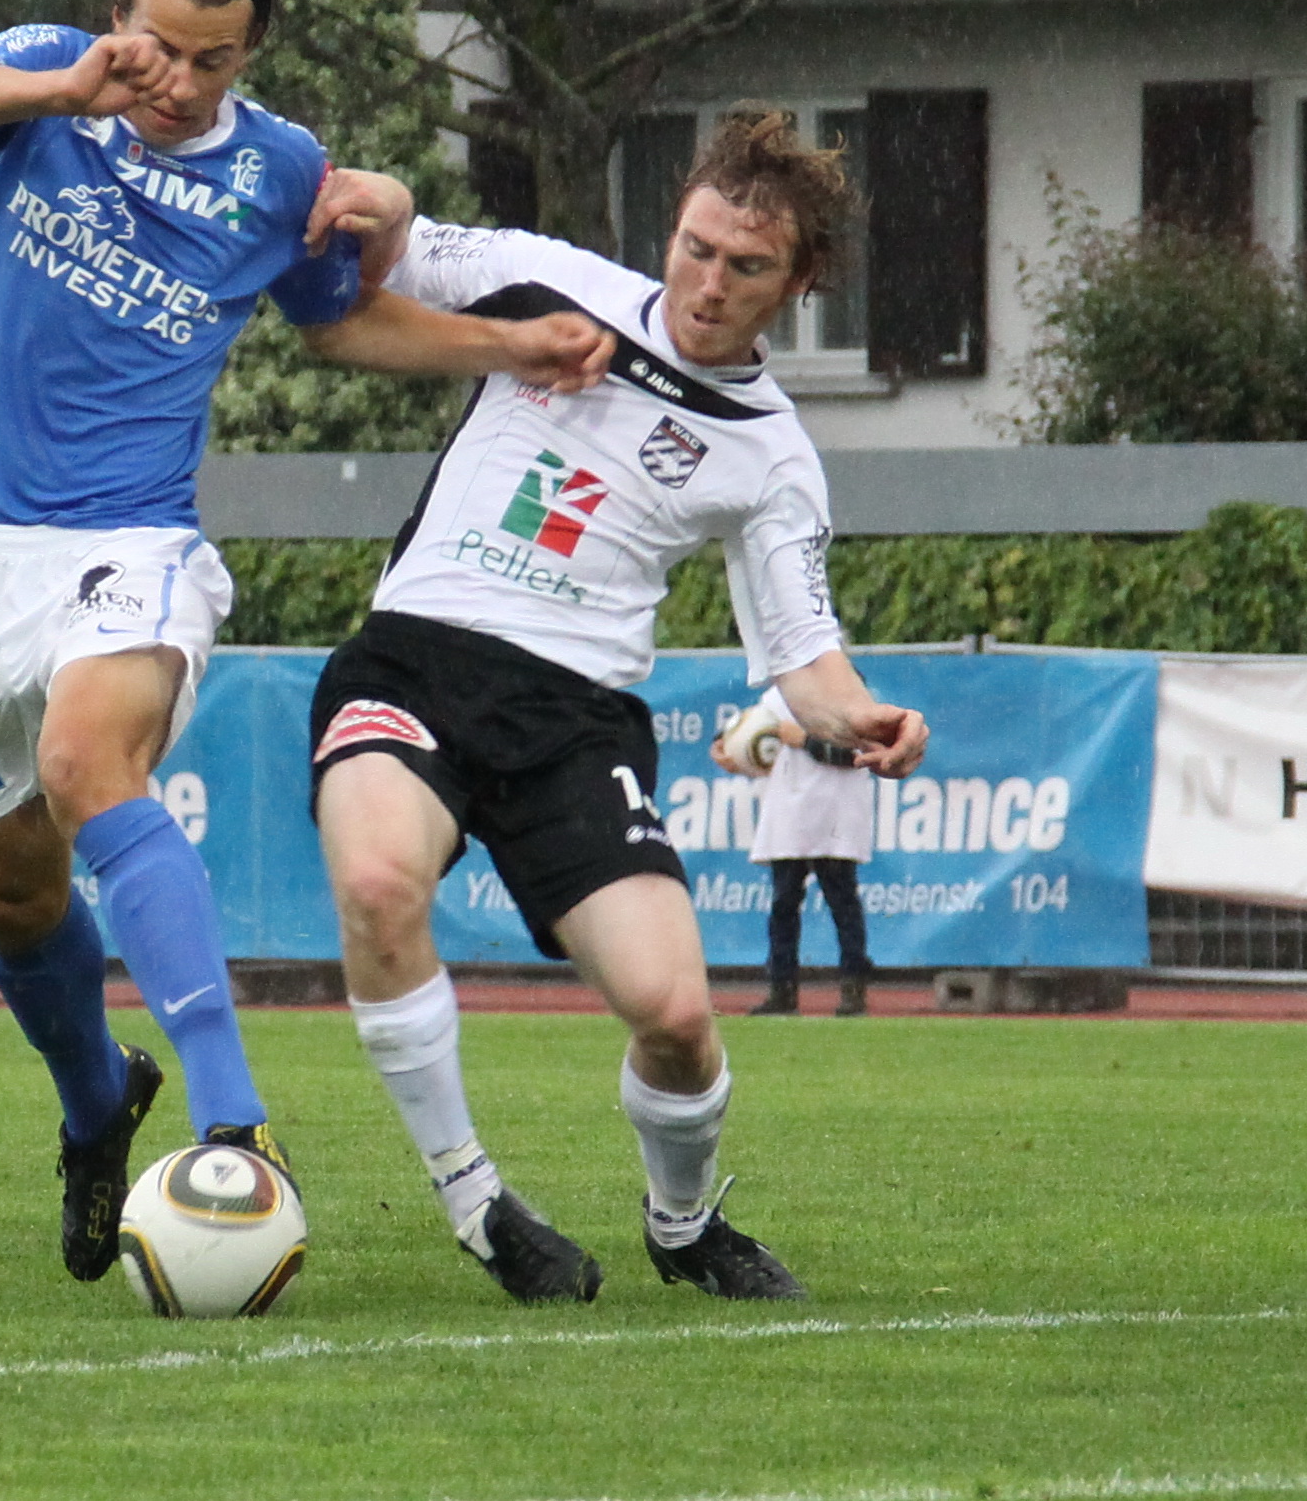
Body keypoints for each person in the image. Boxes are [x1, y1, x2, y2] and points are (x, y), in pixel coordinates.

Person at [0, 0, 572, 1286]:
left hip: (131, 537)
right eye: (160, 49)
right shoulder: (47, 74)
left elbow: (336, 319)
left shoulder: (280, 168)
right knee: (10, 895)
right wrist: (63, 87)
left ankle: (234, 1122)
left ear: (249, 55)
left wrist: (507, 343)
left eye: (214, 59)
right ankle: (96, 1103)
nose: (180, 82)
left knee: (88, 763)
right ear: (113, 19)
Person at [308, 108, 927, 1307]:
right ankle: (476, 1202)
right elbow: (393, 254)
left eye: (746, 265)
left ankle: (682, 1224)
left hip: (573, 719)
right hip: (412, 666)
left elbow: (803, 653)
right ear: (670, 230)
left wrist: (863, 718)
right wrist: (383, 203)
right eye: (695, 247)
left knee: (676, 1014)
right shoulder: (555, 282)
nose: (708, 282)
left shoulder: (772, 456)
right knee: (378, 886)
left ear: (798, 284)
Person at [718, 685, 878, 1016]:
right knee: (783, 906)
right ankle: (782, 992)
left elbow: (857, 756)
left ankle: (853, 991)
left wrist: (806, 742)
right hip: (789, 815)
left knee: (843, 904)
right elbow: (752, 727)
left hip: (834, 814)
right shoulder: (781, 691)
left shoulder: (850, 692)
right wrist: (726, 747)